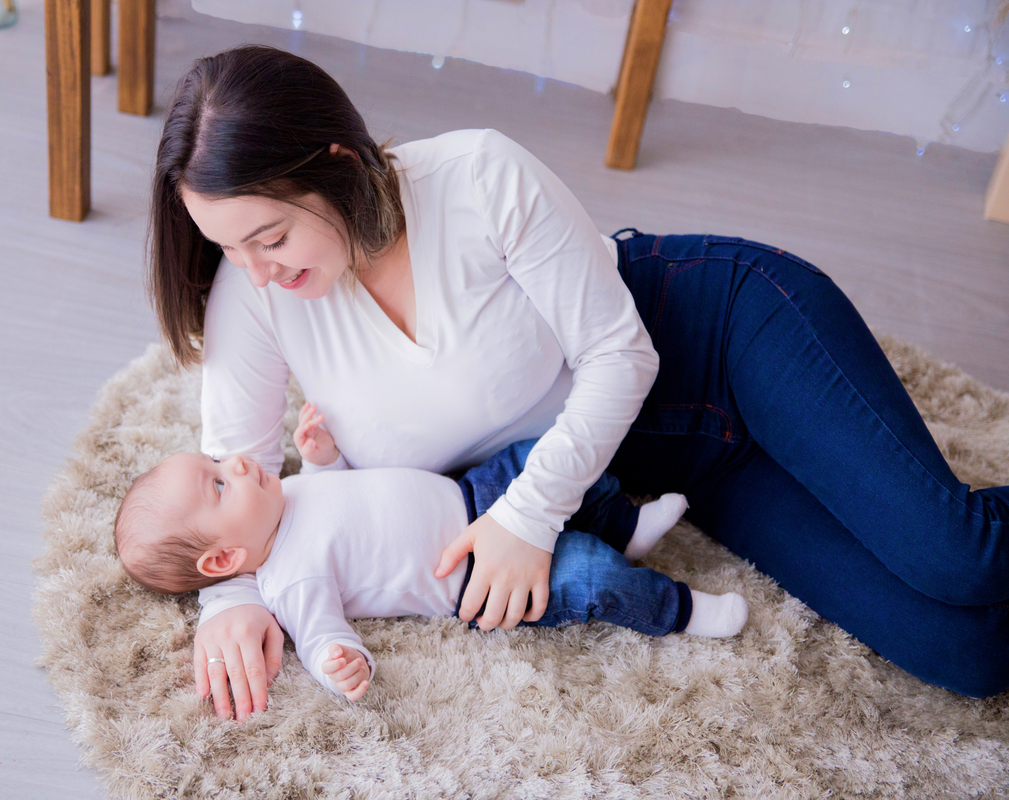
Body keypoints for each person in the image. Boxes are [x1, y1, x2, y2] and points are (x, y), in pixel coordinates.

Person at [147, 45, 1009, 717]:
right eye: (227, 247)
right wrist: (230, 600)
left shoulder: (477, 176)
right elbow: (230, 472)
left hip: (723, 337)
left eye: (270, 238)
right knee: (968, 655)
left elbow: (622, 356)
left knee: (957, 557)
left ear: (336, 163)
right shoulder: (253, 297)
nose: (254, 271)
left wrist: (527, 517)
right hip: (677, 463)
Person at [114, 403, 747, 700]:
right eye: (219, 484)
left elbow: (342, 494)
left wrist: (322, 457)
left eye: (217, 460)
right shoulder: (290, 580)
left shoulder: (287, 493)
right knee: (587, 576)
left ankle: (623, 525)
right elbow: (320, 634)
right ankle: (682, 609)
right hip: (474, 580)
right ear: (223, 561)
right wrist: (339, 662)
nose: (236, 463)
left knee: (540, 456)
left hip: (469, 492)